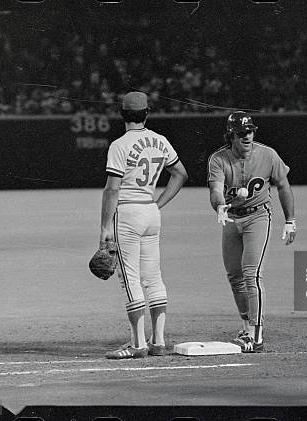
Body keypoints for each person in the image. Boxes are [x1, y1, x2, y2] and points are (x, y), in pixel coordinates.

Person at [99, 91, 188, 359]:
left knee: (130, 279)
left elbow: (112, 189)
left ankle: (138, 345)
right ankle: (158, 342)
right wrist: (158, 203)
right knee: (153, 278)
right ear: (146, 113)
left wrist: (104, 228)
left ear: (122, 114)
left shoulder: (120, 144)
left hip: (127, 213)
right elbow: (180, 173)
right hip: (151, 212)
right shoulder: (160, 141)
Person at [207, 111, 296, 353]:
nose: (247, 136)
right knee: (234, 276)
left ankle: (256, 336)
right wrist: (220, 205)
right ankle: (247, 326)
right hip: (232, 218)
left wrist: (290, 221)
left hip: (258, 216)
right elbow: (215, 190)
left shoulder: (268, 154)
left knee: (252, 274)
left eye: (250, 131)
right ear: (231, 136)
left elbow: (283, 186)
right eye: (241, 133)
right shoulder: (218, 159)